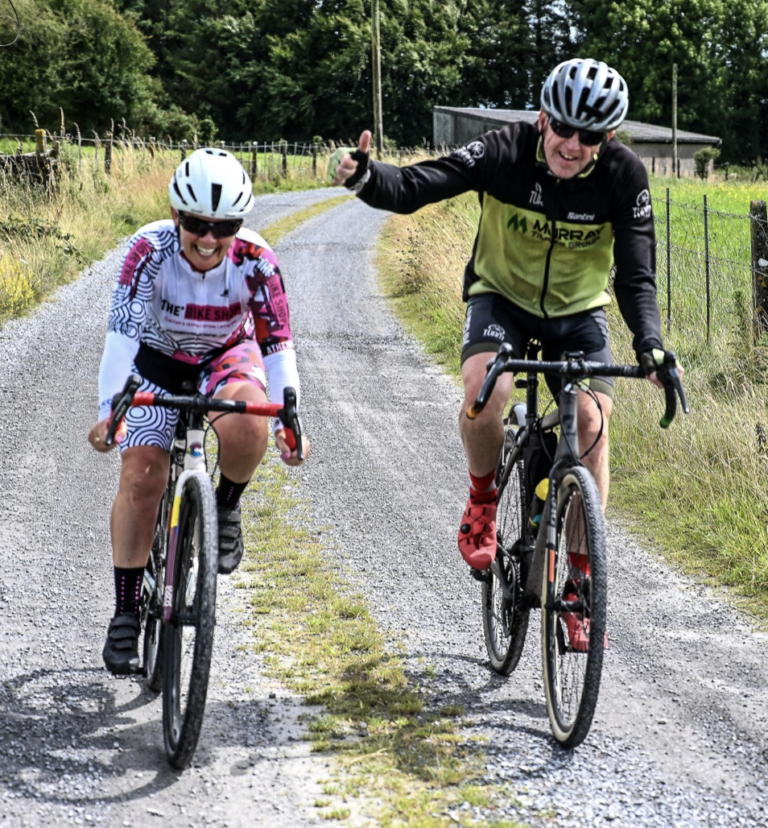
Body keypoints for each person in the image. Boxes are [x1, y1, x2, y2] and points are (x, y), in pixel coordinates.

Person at [330, 57, 676, 572]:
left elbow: (635, 277)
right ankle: (482, 499)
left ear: (606, 138)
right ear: (542, 118)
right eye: (562, 127)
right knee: (485, 392)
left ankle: (582, 575)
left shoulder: (623, 175)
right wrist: (366, 178)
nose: (572, 145)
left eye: (589, 135)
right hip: (501, 300)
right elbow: (421, 184)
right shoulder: (505, 150)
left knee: (591, 423)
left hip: (578, 314)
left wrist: (649, 341)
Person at [89, 147, 310, 675]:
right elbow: (121, 337)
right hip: (157, 360)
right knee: (141, 477)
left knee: (251, 417)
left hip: (225, 356)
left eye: (223, 226)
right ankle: (124, 612)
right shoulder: (147, 250)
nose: (208, 239)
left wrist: (288, 420)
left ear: (239, 224)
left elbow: (278, 346)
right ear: (175, 216)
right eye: (195, 224)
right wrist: (109, 410)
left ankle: (227, 506)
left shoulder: (257, 261)